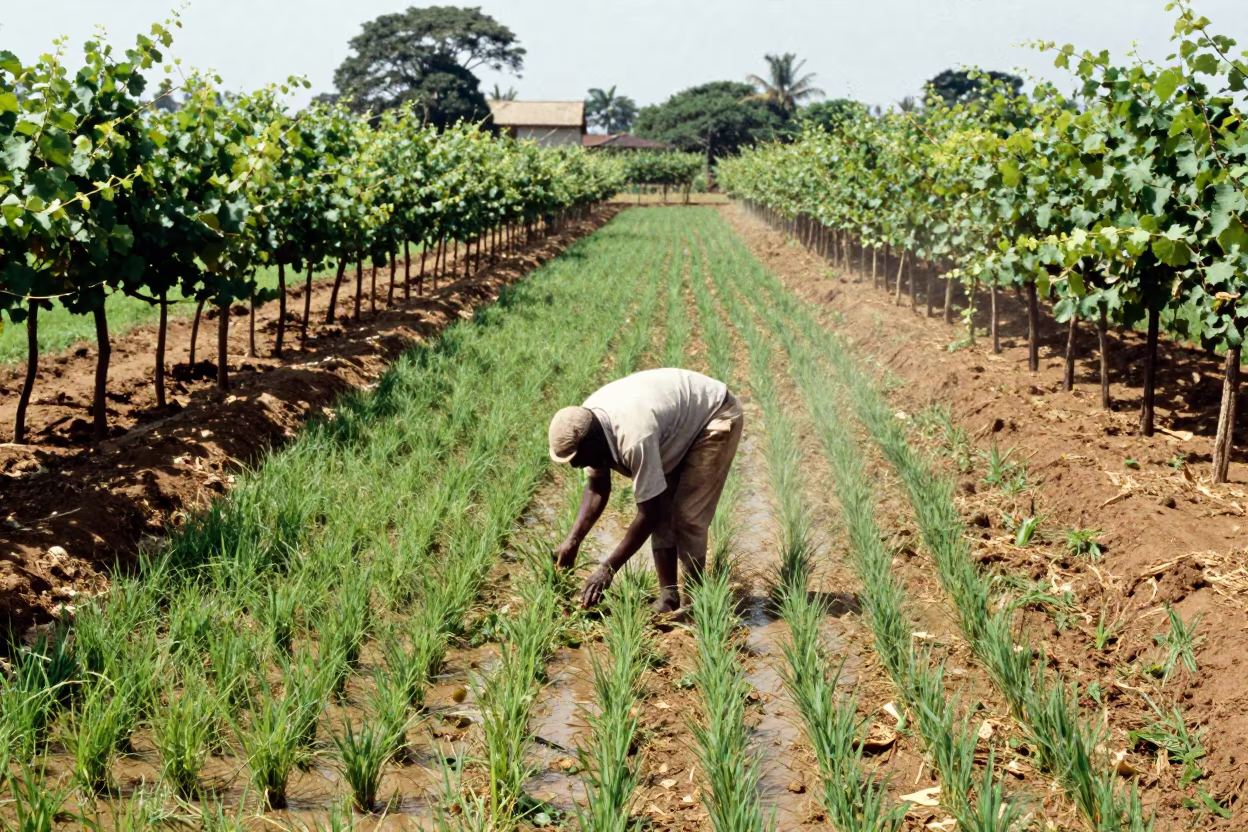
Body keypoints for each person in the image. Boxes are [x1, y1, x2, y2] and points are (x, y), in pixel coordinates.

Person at [547, 367, 743, 613]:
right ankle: (669, 598)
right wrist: (571, 541)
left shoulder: (633, 438)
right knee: (663, 510)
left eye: (576, 457)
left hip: (714, 416)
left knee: (686, 517)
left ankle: (696, 607)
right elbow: (597, 488)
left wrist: (607, 570)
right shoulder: (585, 422)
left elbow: (647, 514)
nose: (576, 465)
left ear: (591, 441)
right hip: (673, 428)